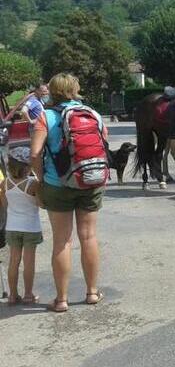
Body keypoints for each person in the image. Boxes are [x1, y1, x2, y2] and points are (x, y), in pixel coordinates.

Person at [30, 73, 107, 313]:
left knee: (62, 241)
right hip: (90, 181)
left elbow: (34, 154)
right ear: (75, 89)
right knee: (88, 237)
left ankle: (61, 300)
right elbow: (103, 143)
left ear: (51, 91)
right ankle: (92, 293)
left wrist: (42, 180)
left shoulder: (46, 116)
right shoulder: (92, 113)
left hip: (57, 184)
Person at [0, 147, 43, 306]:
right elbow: (41, 204)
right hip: (30, 227)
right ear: (28, 167)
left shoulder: (5, 183)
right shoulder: (33, 184)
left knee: (14, 260)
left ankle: (12, 295)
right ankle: (28, 294)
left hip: (12, 227)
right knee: (29, 262)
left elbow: (4, 204)